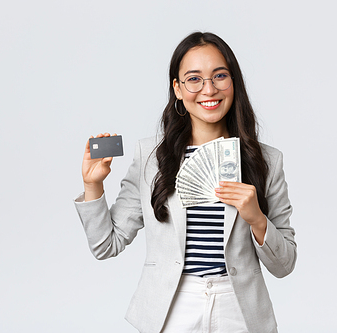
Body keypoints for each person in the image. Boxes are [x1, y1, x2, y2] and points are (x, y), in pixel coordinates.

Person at [74, 32, 297, 333]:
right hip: (171, 308)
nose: (209, 89)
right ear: (177, 89)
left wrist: (257, 218)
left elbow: (284, 265)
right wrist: (93, 187)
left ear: (234, 82)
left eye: (220, 75)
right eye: (194, 79)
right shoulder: (151, 156)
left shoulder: (267, 160)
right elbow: (106, 245)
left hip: (239, 309)